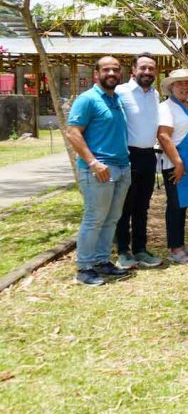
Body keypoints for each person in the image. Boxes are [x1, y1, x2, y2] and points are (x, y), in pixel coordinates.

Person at [65, 56, 134, 286]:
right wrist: (93, 162)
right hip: (99, 170)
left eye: (116, 69)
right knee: (95, 218)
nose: (112, 73)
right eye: (107, 69)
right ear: (96, 73)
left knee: (112, 218)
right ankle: (84, 268)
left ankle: (102, 261)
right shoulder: (88, 100)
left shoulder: (116, 99)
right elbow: (73, 132)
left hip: (122, 168)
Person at [114, 53, 162, 270]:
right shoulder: (120, 92)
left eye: (151, 68)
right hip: (128, 155)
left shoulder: (155, 94)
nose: (147, 72)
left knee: (143, 206)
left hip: (148, 156)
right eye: (143, 68)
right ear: (133, 70)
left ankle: (140, 249)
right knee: (124, 206)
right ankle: (123, 251)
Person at [157, 68, 188, 264]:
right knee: (175, 205)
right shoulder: (166, 108)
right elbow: (163, 136)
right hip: (175, 164)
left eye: (187, 83)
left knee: (183, 205)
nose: (184, 87)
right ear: (171, 87)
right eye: (179, 83)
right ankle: (174, 248)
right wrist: (178, 163)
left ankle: (181, 245)